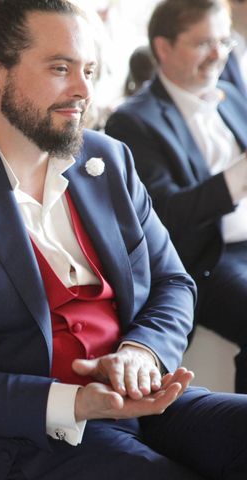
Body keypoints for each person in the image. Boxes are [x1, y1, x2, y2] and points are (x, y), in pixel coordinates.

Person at [0, 1, 247, 479]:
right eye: (60, 68)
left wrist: (142, 352)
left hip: (141, 400)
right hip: (28, 437)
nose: (83, 90)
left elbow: (173, 282)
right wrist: (73, 401)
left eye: (89, 70)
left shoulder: (109, 159)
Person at [105, 0, 247, 393]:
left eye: (223, 41)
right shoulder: (133, 120)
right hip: (205, 259)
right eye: (203, 43)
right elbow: (166, 213)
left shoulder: (232, 95)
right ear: (163, 48)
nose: (218, 54)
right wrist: (240, 173)